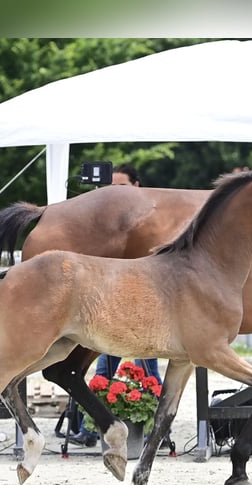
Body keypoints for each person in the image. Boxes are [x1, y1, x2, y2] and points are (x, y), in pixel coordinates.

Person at [68, 163, 164, 447]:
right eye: (111, 189)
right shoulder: (109, 223)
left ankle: (155, 428)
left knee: (148, 368)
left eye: (121, 187)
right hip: (112, 303)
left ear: (137, 187)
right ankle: (91, 427)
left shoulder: (150, 219)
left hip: (144, 304)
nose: (116, 194)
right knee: (103, 370)